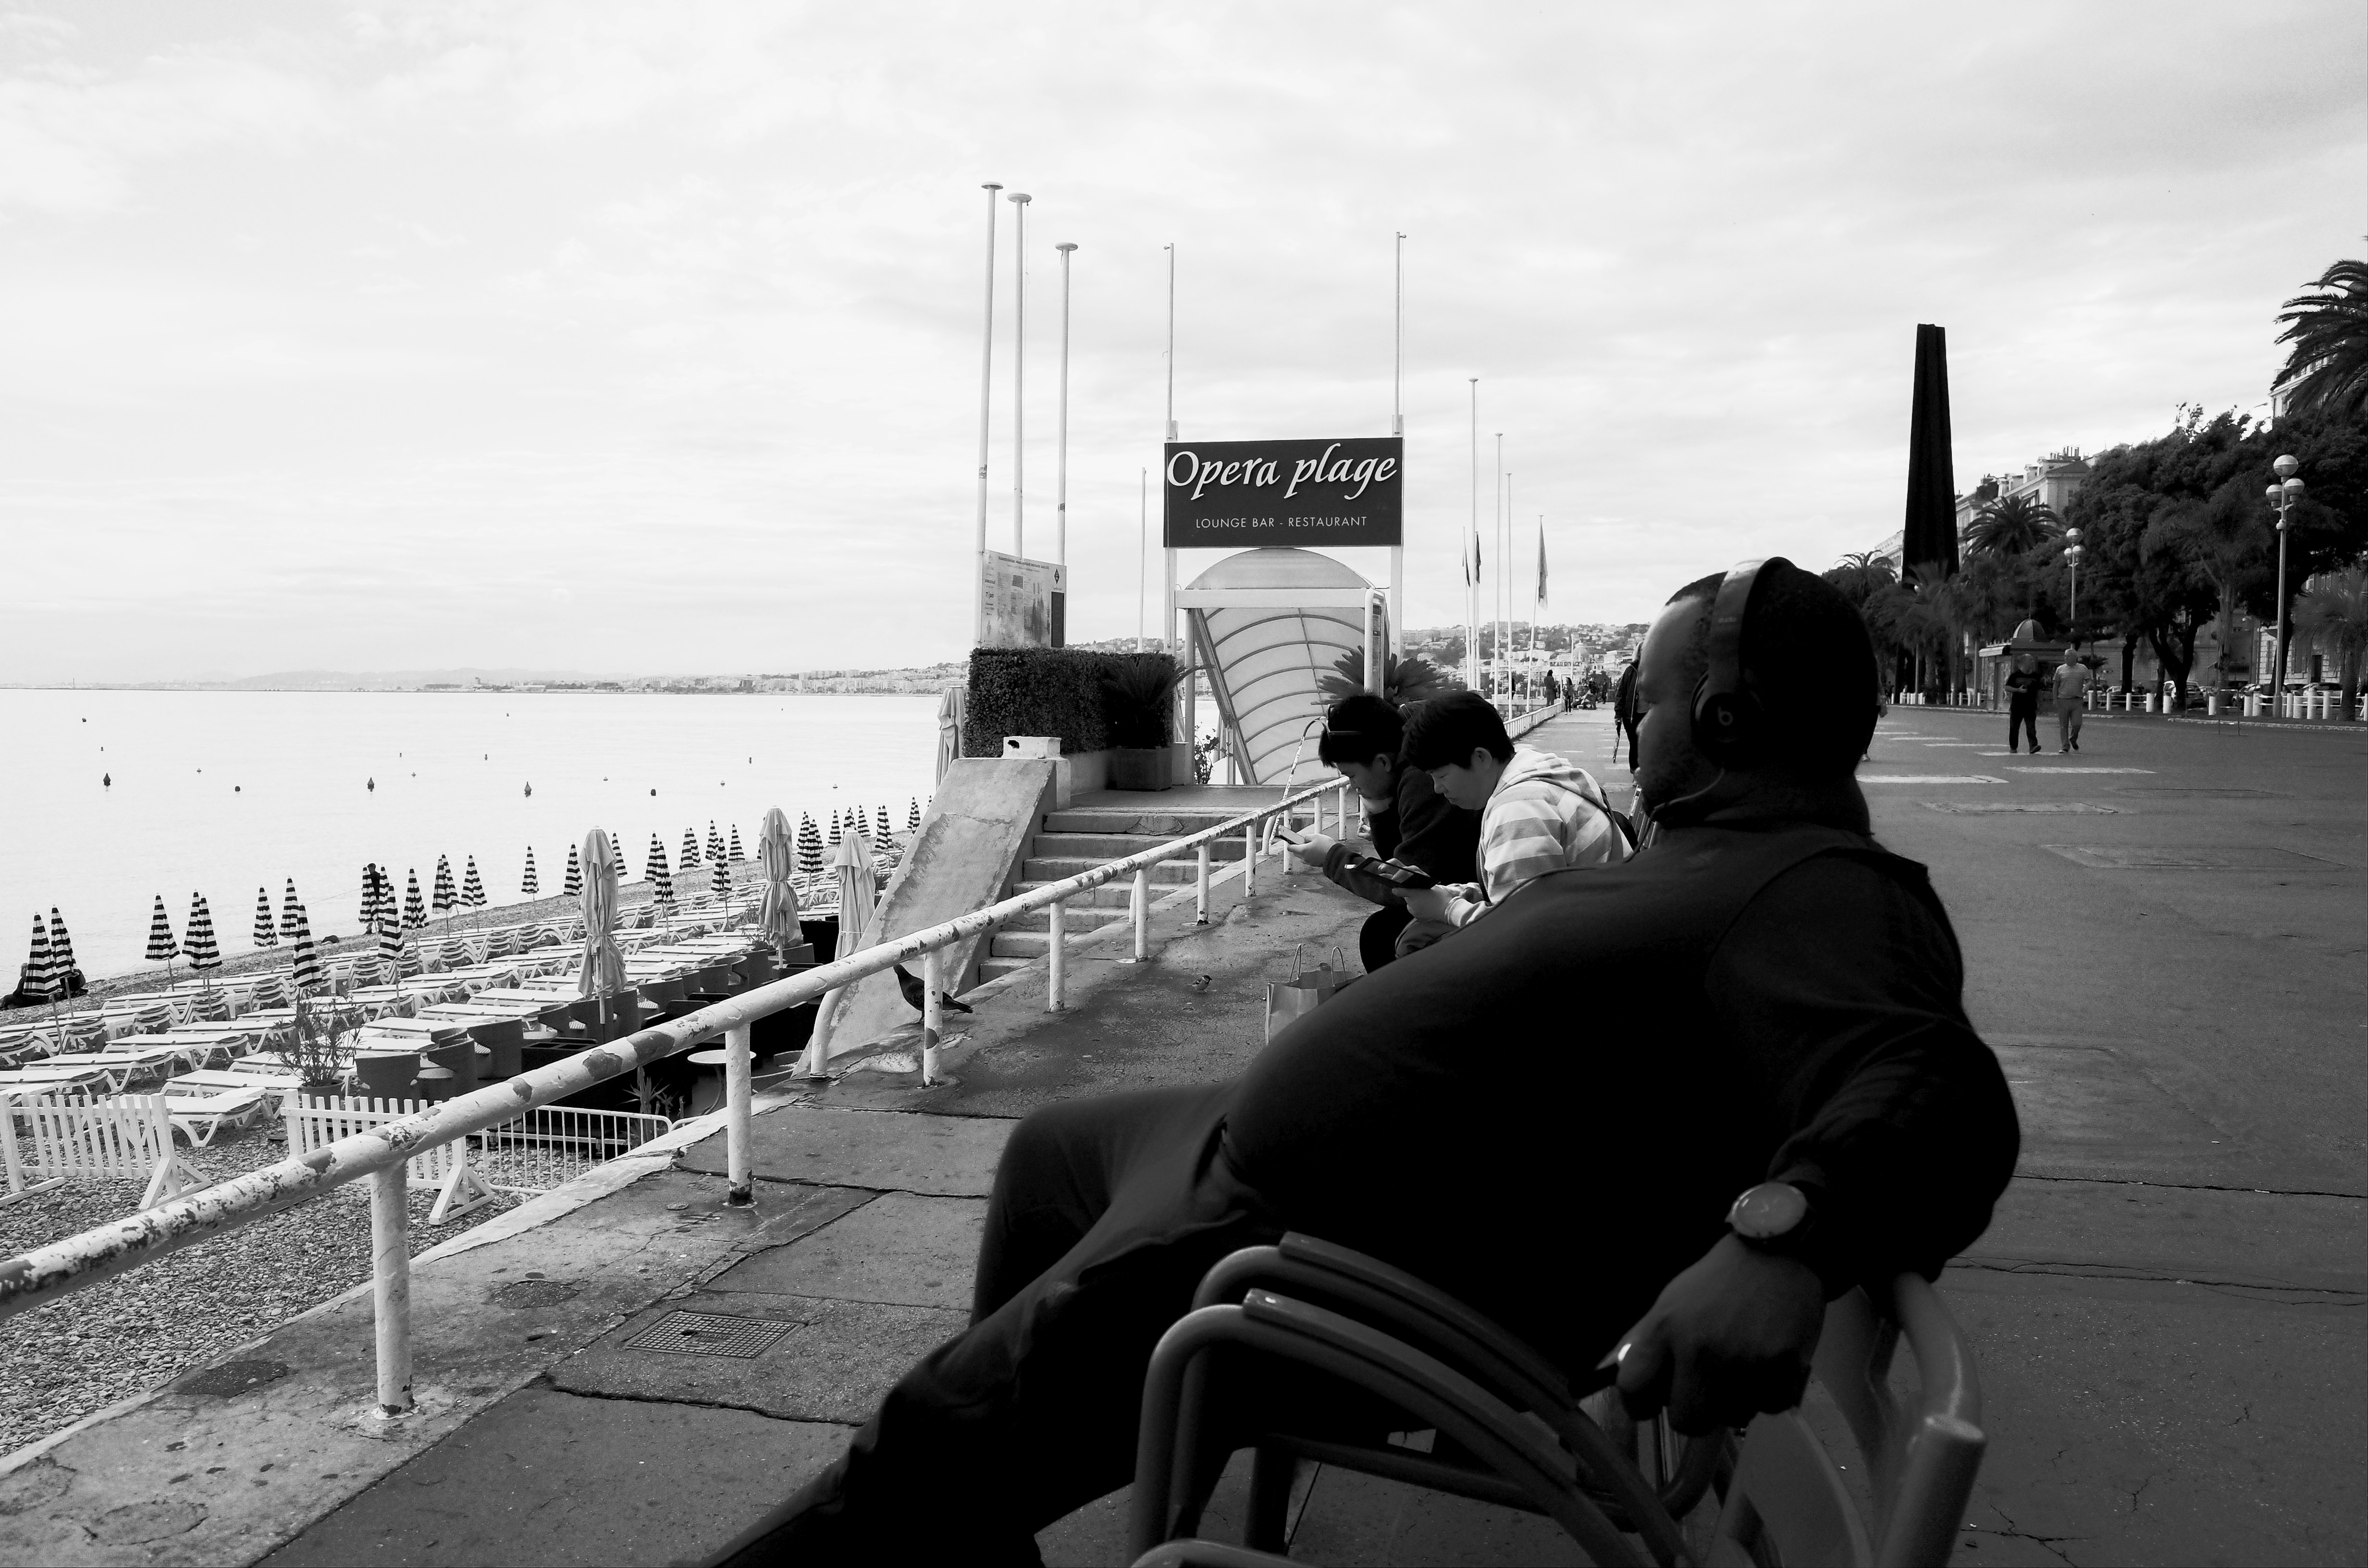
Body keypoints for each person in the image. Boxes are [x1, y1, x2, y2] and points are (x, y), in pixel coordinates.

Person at [709, 557, 2019, 1568]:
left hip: (1308, 1250)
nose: (1629, 719)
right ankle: (986, 1519)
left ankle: (960, 1488)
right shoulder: (1724, 857)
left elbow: (1938, 1086)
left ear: (1726, 715)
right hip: (1247, 1155)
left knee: (927, 1439)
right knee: (1049, 1153)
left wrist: (1783, 1245)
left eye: (1648, 696)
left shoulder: (1822, 893)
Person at [1392, 690, 1626, 946]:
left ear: (1481, 757)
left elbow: (1520, 930)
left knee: (1411, 942)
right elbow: (1522, 895)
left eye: (1442, 775)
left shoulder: (1519, 808)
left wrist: (1448, 909)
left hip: (1595, 946)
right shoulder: (1538, 773)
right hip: (1604, 920)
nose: (1438, 788)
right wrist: (1446, 894)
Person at [1284, 694, 1481, 972]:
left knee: (1381, 935)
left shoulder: (1422, 780)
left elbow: (1407, 885)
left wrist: (1331, 858)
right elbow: (1400, 861)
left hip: (1474, 902)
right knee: (1383, 930)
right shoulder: (1408, 771)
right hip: (1468, 888)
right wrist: (1378, 807)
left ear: (1383, 762)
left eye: (1351, 776)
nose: (1353, 786)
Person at [2005, 652, 2043, 753]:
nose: (2033, 662)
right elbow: (2007, 687)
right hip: (2017, 706)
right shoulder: (2015, 675)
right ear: (2024, 662)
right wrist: (2017, 690)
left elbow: (2039, 691)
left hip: (2031, 706)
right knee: (2014, 727)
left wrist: (2041, 704)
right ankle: (2013, 747)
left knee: (2031, 727)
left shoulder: (2035, 676)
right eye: (2030, 660)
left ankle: (2033, 746)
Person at [2053, 655, 2089, 752]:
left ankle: (2073, 738)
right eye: (2065, 656)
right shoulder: (2060, 669)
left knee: (2077, 724)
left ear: (2074, 658)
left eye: (2068, 656)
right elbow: (2056, 685)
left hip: (2077, 700)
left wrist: (2087, 686)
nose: (2066, 658)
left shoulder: (2083, 668)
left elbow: (2090, 682)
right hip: (2063, 700)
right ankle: (2065, 746)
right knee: (2063, 725)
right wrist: (2055, 699)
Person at [1612, 657, 1642, 764]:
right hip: (1631, 716)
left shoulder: (1656, 670)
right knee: (1634, 744)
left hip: (1648, 715)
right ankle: (1635, 771)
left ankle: (1644, 770)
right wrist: (1618, 714)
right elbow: (1621, 693)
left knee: (1645, 745)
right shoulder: (1631, 671)